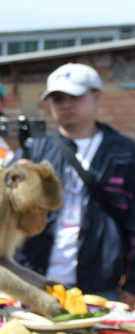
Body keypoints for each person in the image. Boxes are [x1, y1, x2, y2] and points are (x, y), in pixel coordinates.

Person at [18, 63, 135, 304]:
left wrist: (132, 285)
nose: (65, 105)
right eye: (58, 98)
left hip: (100, 286)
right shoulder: (34, 150)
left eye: (74, 96)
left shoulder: (125, 153)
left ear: (97, 96)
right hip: (34, 282)